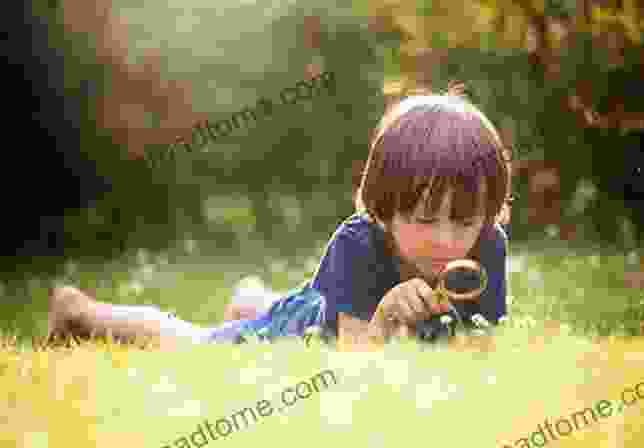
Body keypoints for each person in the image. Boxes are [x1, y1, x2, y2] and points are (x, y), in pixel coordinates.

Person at [47, 82, 512, 351]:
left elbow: (480, 345)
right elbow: (355, 365)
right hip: (314, 326)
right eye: (426, 220)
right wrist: (387, 316)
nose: (447, 239)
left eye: (464, 221)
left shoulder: (486, 245)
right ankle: (81, 313)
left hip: (322, 299)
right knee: (199, 344)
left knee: (291, 300)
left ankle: (252, 298)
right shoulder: (360, 242)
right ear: (383, 209)